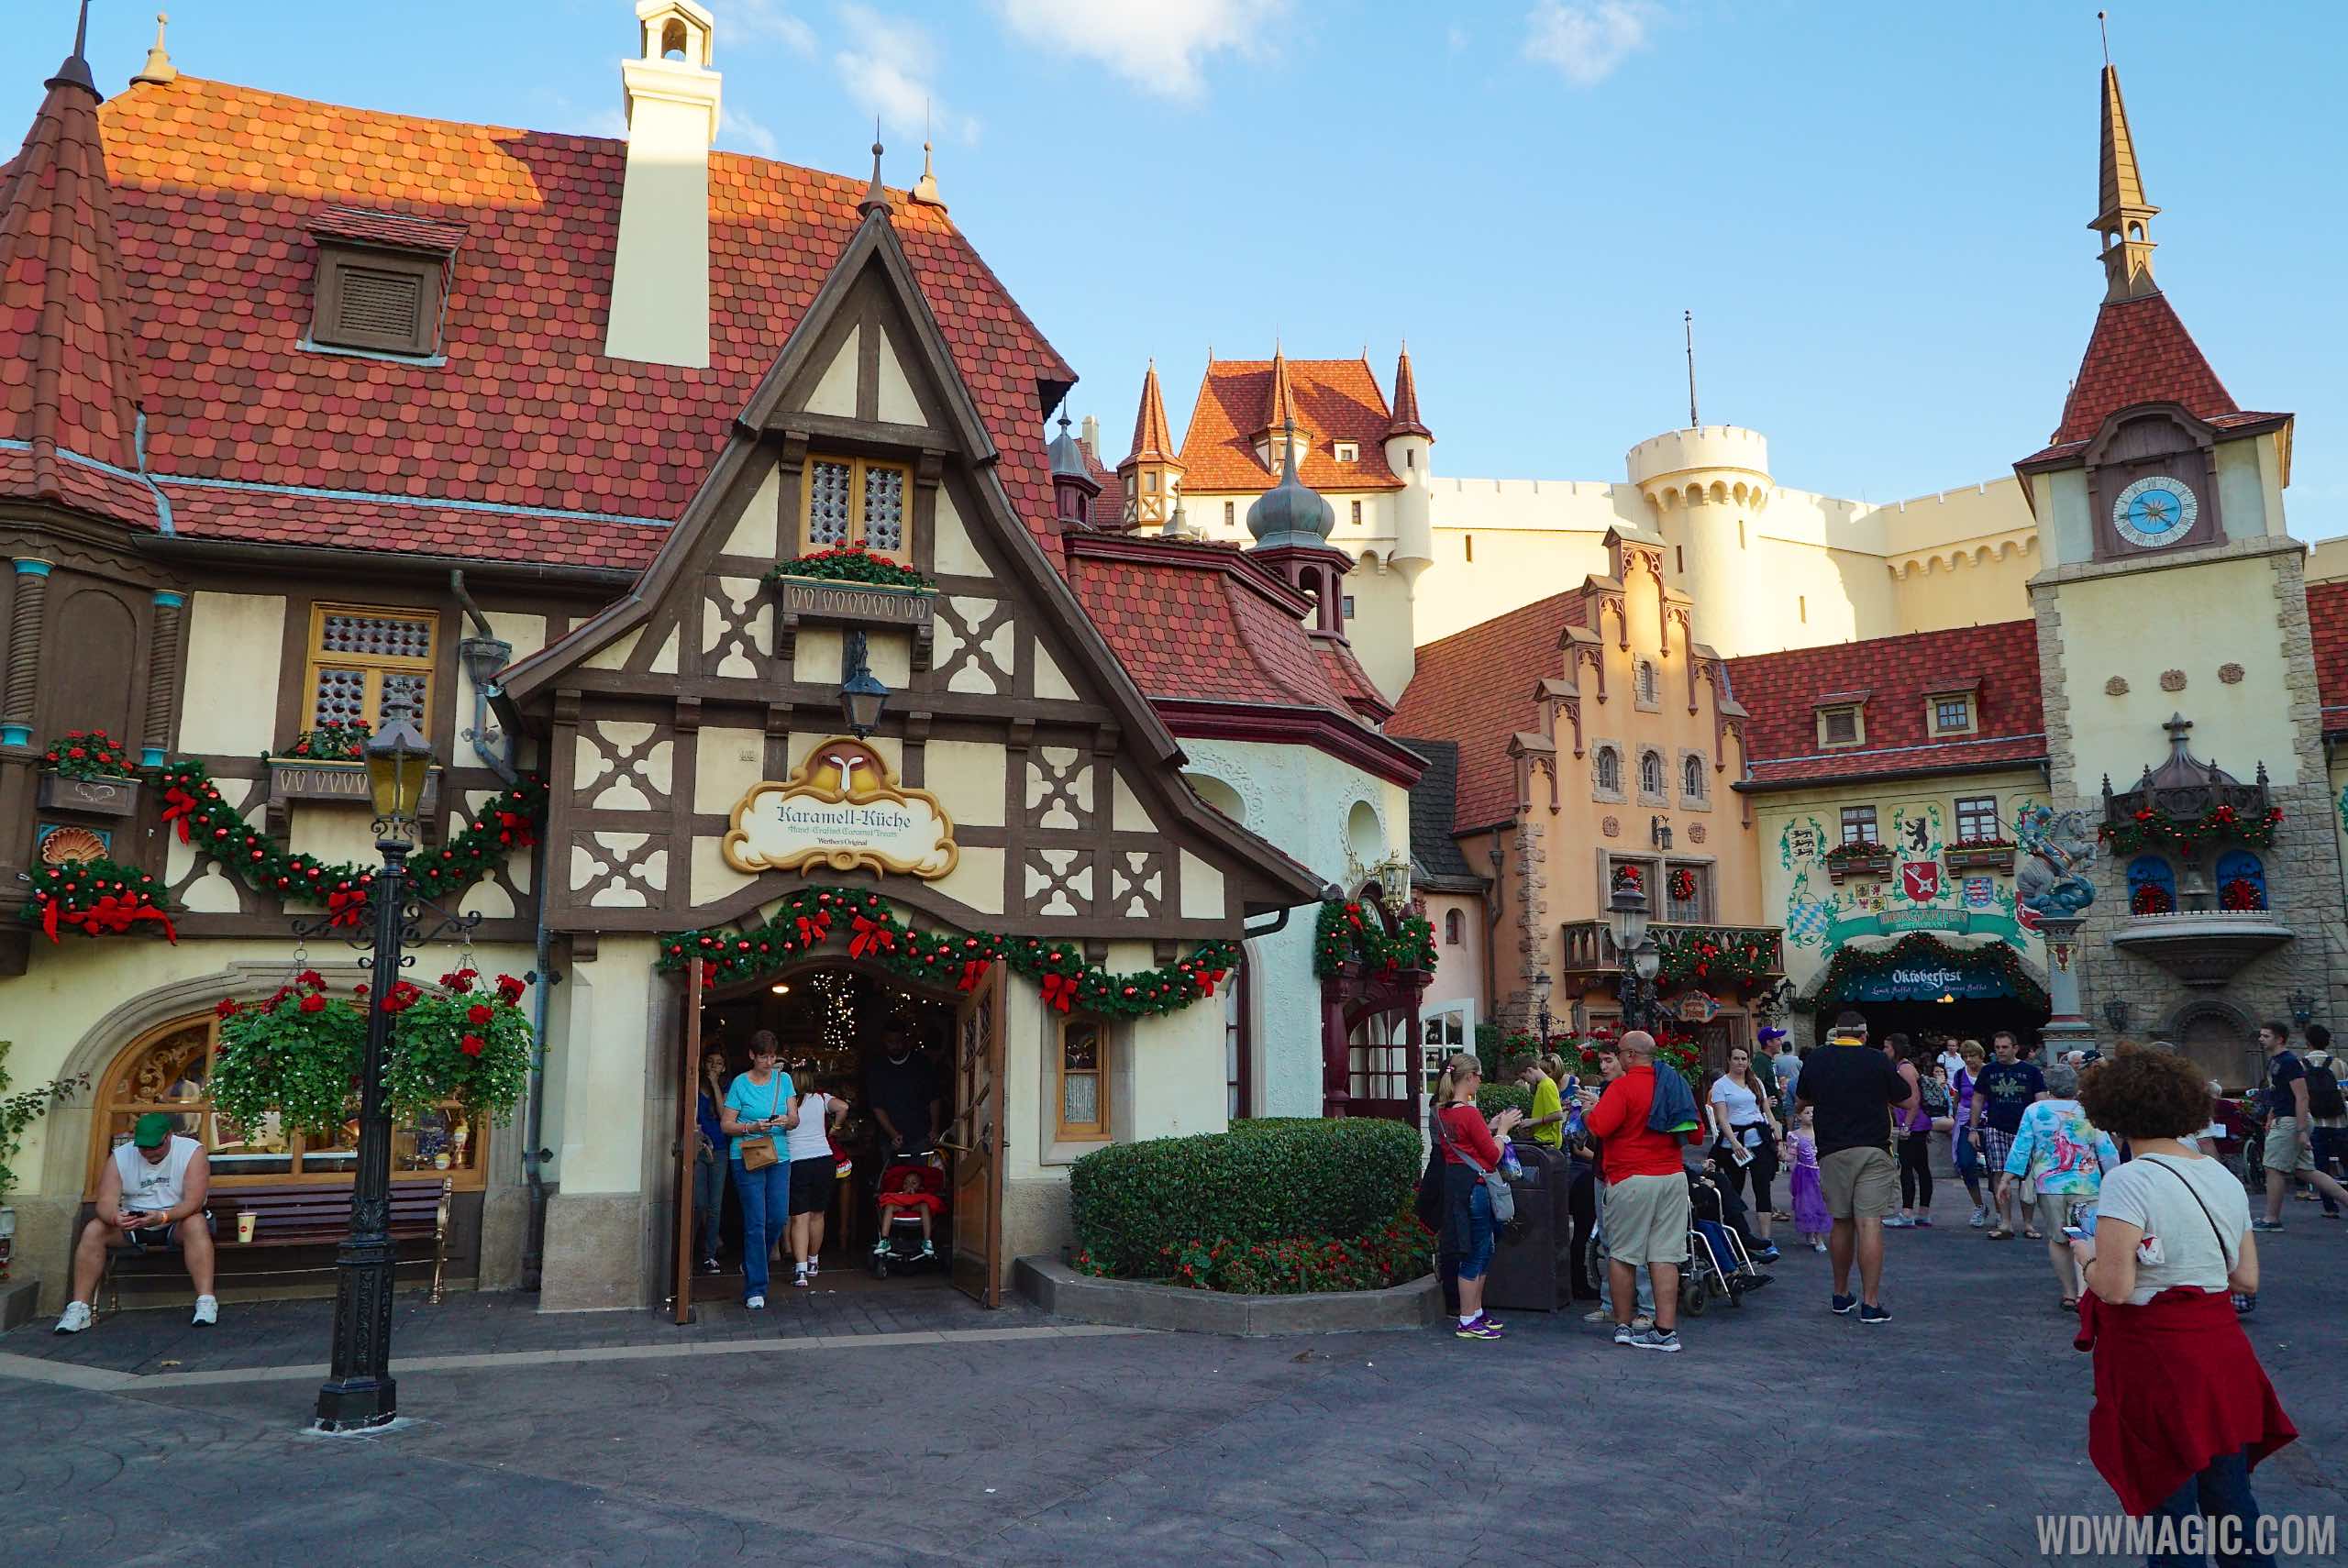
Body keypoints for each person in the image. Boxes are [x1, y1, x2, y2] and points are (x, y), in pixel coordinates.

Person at [2069, 1047, 2296, 1551]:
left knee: (2168, 1513)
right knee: (2233, 1507)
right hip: (2221, 1356)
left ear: (2114, 1112)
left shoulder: (2128, 1179)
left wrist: (2083, 1255)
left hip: (2157, 1361)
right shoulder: (2222, 1177)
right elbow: (2246, 1279)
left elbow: (2116, 1286)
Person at [1582, 1030, 1701, 1353]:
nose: (1618, 1058)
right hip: (1672, 1176)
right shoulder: (1673, 1084)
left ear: (1631, 1055)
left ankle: (1623, 1325)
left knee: (1621, 1254)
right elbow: (1695, 1132)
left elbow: (1599, 1127)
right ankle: (1665, 1331)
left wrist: (1585, 1113)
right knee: (1665, 1256)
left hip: (1631, 1177)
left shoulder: (1622, 1086)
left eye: (1620, 1053)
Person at [56, 1113, 217, 1334]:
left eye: (155, 1147)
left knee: (196, 1223)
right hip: (134, 1221)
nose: (148, 1152)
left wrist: (162, 1217)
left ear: (169, 1136)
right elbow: (105, 1201)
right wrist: (114, 1217)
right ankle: (79, 1308)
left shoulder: (191, 1151)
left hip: (175, 1219)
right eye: (143, 1147)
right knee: (94, 1229)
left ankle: (206, 1301)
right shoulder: (121, 1156)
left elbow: (194, 1202)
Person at [1795, 1010, 1906, 1323]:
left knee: (1841, 1222)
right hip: (1873, 1148)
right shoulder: (1876, 1060)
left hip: (1833, 1150)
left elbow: (1802, 1098)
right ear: (1864, 1034)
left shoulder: (1817, 1059)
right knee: (1870, 1223)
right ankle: (1871, 1303)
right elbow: (1904, 1097)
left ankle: (1841, 1294)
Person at [2000, 1062, 2121, 1311]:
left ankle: (2067, 1292)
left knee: (2059, 1239)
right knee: (2086, 1236)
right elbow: (2106, 1149)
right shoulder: (2088, 1111)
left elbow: (2022, 1147)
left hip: (2050, 1184)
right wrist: (2115, 1176)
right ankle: (2084, 1292)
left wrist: (2007, 1177)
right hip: (2087, 1183)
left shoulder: (2035, 1111)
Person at [1433, 1054, 1523, 1341]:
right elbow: (1492, 1155)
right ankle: (1468, 1318)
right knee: (1477, 1253)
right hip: (1477, 1185)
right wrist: (1505, 1131)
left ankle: (1475, 1312)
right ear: (1469, 1077)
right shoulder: (1468, 1113)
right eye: (1479, 1076)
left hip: (1459, 1185)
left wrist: (1491, 1127)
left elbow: (1466, 1142)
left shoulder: (1440, 1111)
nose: (1481, 1081)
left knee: (1481, 1249)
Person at [719, 1031, 793, 1309]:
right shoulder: (740, 1083)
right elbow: (727, 1125)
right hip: (747, 1154)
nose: (769, 1061)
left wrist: (787, 1120)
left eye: (773, 1056)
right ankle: (755, 1288)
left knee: (777, 1217)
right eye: (764, 1056)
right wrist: (751, 1127)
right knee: (756, 1221)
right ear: (752, 1055)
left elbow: (795, 1118)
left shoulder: (784, 1080)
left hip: (780, 1155)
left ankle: (753, 1262)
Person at [2254, 1021, 2348, 1231]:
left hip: (2290, 1121)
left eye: (2266, 1036)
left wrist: (2301, 1130)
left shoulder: (2288, 1062)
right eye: (2261, 1035)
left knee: (2273, 1168)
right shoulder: (2275, 1062)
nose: (2261, 1039)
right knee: (2307, 1171)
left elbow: (2302, 1096)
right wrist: (2271, 1116)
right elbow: (2279, 1094)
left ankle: (2271, 1219)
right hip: (2286, 1118)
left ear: (2279, 1039)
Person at [1968, 1031, 2047, 1239]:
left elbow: (2041, 1102)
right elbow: (1977, 1099)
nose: (2000, 1051)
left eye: (2004, 1047)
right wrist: (1973, 1129)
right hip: (1996, 1127)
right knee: (1998, 1174)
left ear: (2015, 1048)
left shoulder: (2031, 1071)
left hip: (2025, 1131)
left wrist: (2043, 1132)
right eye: (1997, 1048)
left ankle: (2028, 1223)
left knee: (2026, 1177)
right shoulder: (1988, 1071)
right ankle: (2005, 1223)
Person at [1705, 1046, 1784, 1249]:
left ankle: (1766, 1240)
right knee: (1734, 1189)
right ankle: (1738, 1237)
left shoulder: (1755, 1082)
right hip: (1734, 1140)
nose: (1740, 1062)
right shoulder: (1721, 1085)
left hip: (1758, 1138)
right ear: (1729, 1061)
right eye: (1736, 1059)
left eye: (1744, 1059)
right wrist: (1734, 1142)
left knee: (1763, 1187)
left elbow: (1767, 1111)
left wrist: (1779, 1138)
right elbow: (1722, 1117)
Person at [784, 1076, 849, 1287]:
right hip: (823, 1160)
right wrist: (835, 1129)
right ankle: (813, 1262)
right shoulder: (821, 1098)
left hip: (797, 1161)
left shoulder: (787, 1100)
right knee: (818, 1215)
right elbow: (843, 1107)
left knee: (799, 1218)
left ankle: (800, 1270)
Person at [866, 1030, 940, 1155]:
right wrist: (893, 1135)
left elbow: (934, 1098)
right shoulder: (877, 1068)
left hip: (922, 1136)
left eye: (899, 1041)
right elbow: (877, 1107)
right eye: (891, 1042)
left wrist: (934, 1129)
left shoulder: (921, 1063)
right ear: (884, 1041)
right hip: (891, 1141)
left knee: (924, 1174)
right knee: (895, 1174)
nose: (895, 1046)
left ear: (906, 1040)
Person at [1885, 1034, 1933, 1229]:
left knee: (1907, 1168)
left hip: (1913, 1125)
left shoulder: (1904, 1069)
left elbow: (1914, 1100)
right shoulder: (1906, 1067)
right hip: (1919, 1125)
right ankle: (1923, 1212)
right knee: (1921, 1168)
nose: (1884, 1050)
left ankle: (1907, 1213)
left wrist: (1906, 1126)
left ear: (1896, 1049)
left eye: (1887, 1047)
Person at [692, 1048, 729, 1275]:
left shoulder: (727, 1087)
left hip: (721, 1151)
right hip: (698, 1150)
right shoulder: (694, 1086)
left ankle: (710, 1255)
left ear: (723, 1068)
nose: (713, 1067)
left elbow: (723, 1114)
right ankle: (687, 1252)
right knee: (698, 1203)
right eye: (710, 1062)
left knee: (715, 1205)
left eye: (718, 1063)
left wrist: (715, 1084)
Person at [2302, 1031, 2346, 1218]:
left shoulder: (2300, 1064)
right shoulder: (2339, 1064)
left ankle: (2330, 1208)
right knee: (2345, 1160)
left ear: (2308, 1042)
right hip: (2339, 1121)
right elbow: (2344, 1091)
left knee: (2320, 1167)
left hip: (2314, 1122)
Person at [1950, 1040, 1990, 1226]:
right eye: (1965, 1056)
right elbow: (1956, 1099)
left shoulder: (1990, 1072)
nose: (1968, 1060)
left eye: (1972, 1056)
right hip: (1966, 1122)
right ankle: (1979, 1205)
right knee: (1966, 1164)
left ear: (1981, 1055)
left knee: (1995, 1169)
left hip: (1989, 1122)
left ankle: (2000, 1208)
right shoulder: (1960, 1075)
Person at [1787, 1106, 1830, 1253]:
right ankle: (1814, 1235)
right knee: (1809, 1205)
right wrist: (1781, 1154)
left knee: (1822, 1205)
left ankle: (1817, 1235)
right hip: (1805, 1175)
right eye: (1807, 1113)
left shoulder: (1823, 1132)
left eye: (1813, 1112)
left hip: (1823, 1172)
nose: (1811, 1115)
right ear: (1798, 1116)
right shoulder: (1795, 1135)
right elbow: (1791, 1156)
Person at [875, 1166, 942, 1258]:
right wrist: (905, 1196)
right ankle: (884, 1240)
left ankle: (927, 1241)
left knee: (924, 1206)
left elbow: (930, 1201)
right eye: (906, 1183)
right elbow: (891, 1199)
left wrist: (914, 1196)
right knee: (889, 1206)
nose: (909, 1185)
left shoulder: (922, 1194)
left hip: (916, 1207)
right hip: (900, 1207)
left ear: (921, 1186)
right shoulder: (900, 1193)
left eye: (914, 1183)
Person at [1513, 1053, 1566, 1150]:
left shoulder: (1547, 1085)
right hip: (1542, 1139)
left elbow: (1558, 1115)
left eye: (1524, 1078)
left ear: (1529, 1070)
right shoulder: (1542, 1085)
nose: (1526, 1082)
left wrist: (1533, 1121)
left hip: (1547, 1142)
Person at [1765, 1027, 1801, 1121]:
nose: (1780, 1042)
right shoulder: (1796, 1060)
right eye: (1778, 1039)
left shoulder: (1777, 1060)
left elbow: (1775, 1074)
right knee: (1791, 1109)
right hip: (1793, 1087)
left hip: (1782, 1086)